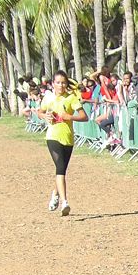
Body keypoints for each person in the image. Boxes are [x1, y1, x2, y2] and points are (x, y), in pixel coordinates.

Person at [34, 71, 89, 216]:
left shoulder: (71, 98)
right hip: (52, 136)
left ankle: (55, 194)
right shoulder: (48, 97)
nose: (61, 85)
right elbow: (40, 111)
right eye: (58, 82)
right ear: (53, 84)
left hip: (68, 137)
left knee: (62, 170)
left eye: (63, 82)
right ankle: (65, 202)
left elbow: (84, 117)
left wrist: (70, 116)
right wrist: (44, 115)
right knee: (59, 168)